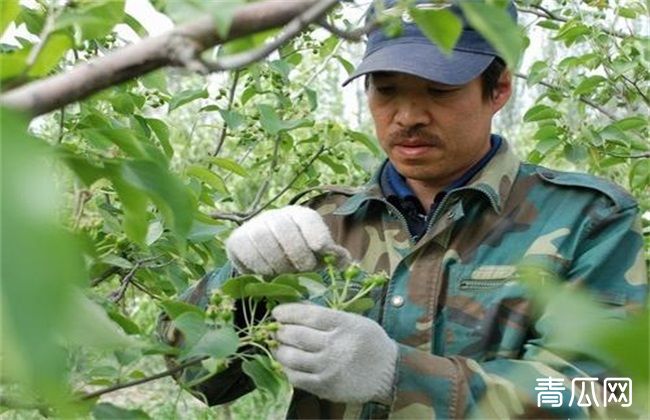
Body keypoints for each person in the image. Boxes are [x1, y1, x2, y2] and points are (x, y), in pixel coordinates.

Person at [160, 0, 648, 418]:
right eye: (387, 89)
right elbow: (198, 377)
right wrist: (238, 284)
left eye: (440, 90)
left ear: (498, 89)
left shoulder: (586, 220)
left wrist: (404, 376)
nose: (409, 116)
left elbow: (610, 394)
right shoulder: (325, 222)